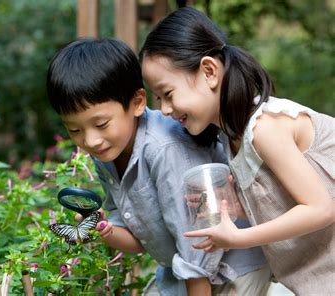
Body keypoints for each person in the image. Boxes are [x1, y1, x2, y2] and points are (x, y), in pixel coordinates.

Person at [46, 37, 271, 295]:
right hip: (184, 270)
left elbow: (197, 240)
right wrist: (102, 228)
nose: (90, 140)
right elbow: (138, 239)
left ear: (137, 103)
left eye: (101, 124)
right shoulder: (107, 154)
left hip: (230, 267)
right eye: (74, 129)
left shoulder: (164, 149)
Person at [139, 7, 334, 295]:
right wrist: (244, 208)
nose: (164, 109)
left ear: (209, 71)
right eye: (158, 98)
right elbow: (288, 198)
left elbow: (321, 207)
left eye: (167, 94)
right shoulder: (232, 138)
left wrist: (239, 238)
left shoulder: (266, 127)